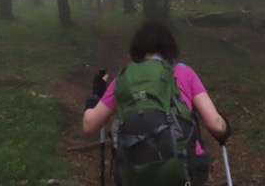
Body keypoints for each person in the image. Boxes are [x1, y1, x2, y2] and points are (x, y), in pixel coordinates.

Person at [83, 20, 231, 185]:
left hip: (136, 170)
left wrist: (95, 95)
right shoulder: (184, 72)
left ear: (137, 49)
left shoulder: (124, 79)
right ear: (169, 47)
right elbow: (215, 125)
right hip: (184, 168)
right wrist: (225, 129)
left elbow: (89, 124)